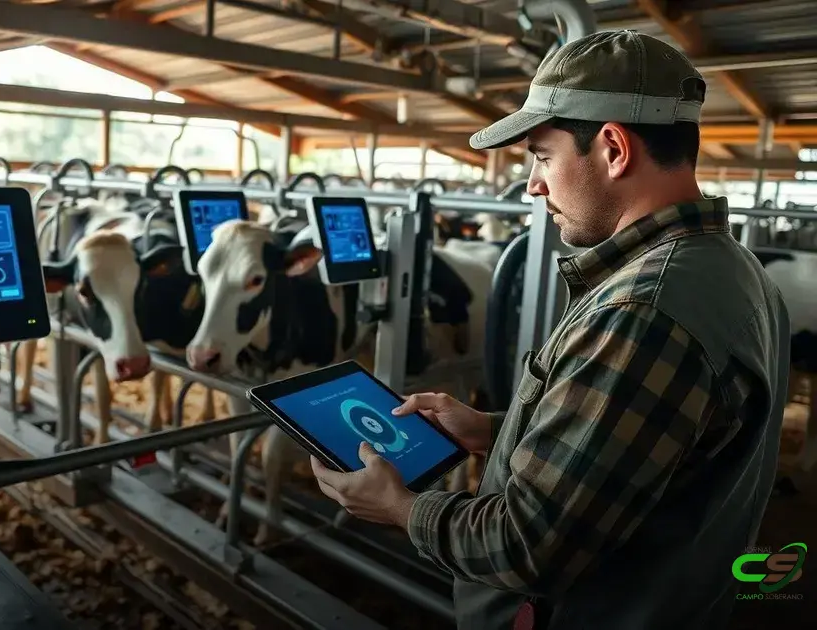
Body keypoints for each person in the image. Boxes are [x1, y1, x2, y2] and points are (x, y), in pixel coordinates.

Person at [309, 30, 792, 630]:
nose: (534, 186)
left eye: (541, 157)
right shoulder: (733, 268)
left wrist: (401, 507)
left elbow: (527, 545)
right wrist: (495, 430)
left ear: (614, 148)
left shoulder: (640, 312)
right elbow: (648, 452)